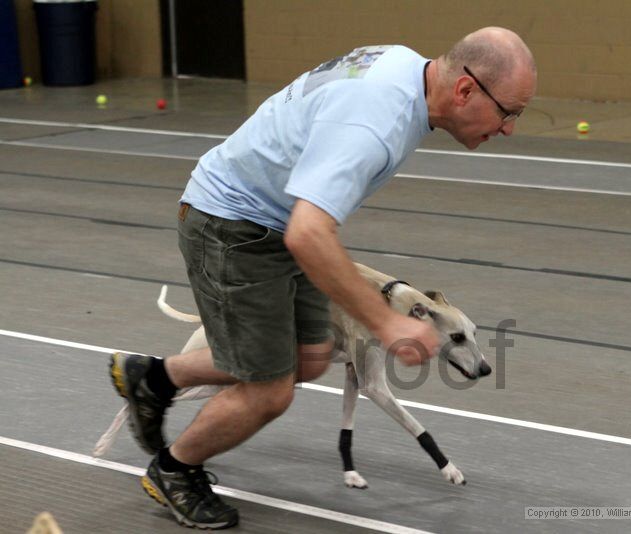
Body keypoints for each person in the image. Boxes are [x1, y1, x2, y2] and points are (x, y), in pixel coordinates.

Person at [110, 26, 536, 529]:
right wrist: (386, 321)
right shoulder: (377, 123)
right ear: (465, 90)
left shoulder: (408, 67)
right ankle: (174, 469)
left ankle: (153, 377)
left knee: (308, 359)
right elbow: (309, 235)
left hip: (278, 215)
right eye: (508, 112)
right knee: (270, 391)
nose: (508, 128)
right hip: (234, 226)